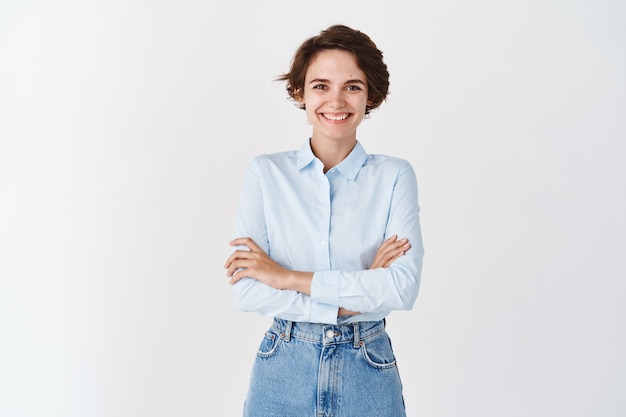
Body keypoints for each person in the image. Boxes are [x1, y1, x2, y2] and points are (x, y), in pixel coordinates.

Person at [224, 24, 424, 417]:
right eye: (320, 85)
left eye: (352, 86)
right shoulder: (266, 174)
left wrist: (286, 277)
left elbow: (401, 288)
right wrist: (351, 299)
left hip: (368, 366)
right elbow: (246, 290)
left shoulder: (395, 176)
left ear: (371, 95)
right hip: (283, 366)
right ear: (300, 92)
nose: (336, 100)